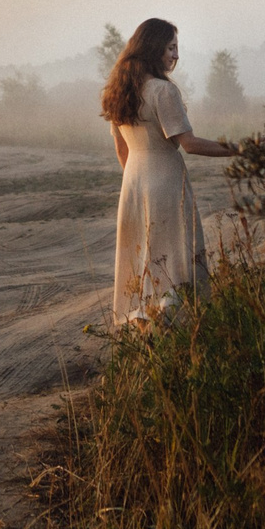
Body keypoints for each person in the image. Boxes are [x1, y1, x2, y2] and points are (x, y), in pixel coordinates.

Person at [104, 17, 239, 326]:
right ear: (154, 49)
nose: (176, 55)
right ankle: (180, 325)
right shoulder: (163, 91)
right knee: (176, 255)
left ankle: (145, 325)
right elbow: (188, 144)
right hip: (165, 182)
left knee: (142, 259)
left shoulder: (118, 90)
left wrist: (138, 182)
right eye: (171, 48)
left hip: (133, 183)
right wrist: (239, 148)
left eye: (177, 48)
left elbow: (121, 150)